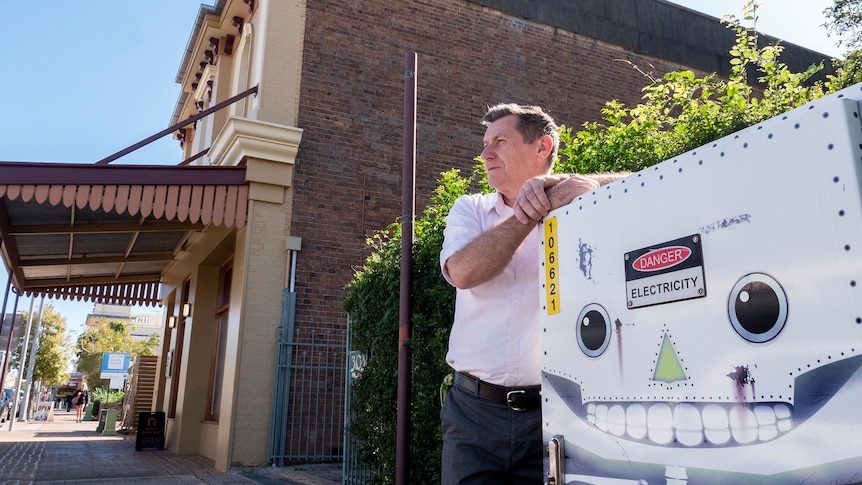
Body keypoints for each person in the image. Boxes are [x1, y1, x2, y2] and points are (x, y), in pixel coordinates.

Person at [439, 103, 626, 484]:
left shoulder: (578, 205)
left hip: (557, 414)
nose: (485, 153)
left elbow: (652, 182)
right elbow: (461, 272)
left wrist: (590, 183)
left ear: (542, 147)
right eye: (486, 142)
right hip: (474, 414)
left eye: (500, 141)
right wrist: (529, 215)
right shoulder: (470, 210)